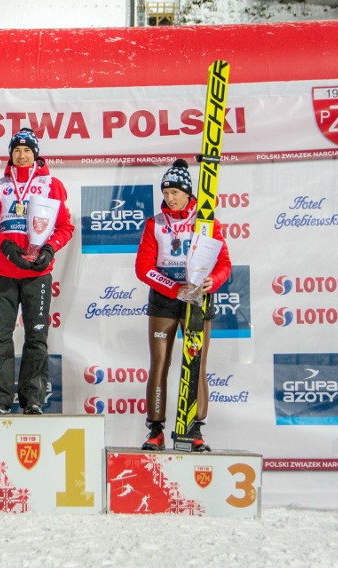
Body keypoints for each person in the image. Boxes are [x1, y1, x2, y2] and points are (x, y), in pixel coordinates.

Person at [134, 158, 232, 451]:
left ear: (189, 193)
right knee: (159, 363)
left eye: (175, 192)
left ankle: (195, 429)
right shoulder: (155, 223)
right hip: (165, 299)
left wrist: (211, 281)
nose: (169, 198)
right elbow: (143, 268)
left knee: (196, 363)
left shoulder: (207, 222)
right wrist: (173, 289)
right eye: (165, 193)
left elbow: (224, 263)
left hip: (198, 300)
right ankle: (155, 430)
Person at [0, 128, 74, 415]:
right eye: (17, 150)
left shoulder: (50, 184)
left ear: (36, 155)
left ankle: (32, 398)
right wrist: (6, 247)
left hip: (37, 275)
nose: (21, 155)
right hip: (3, 275)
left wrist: (49, 250)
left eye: (27, 151)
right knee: (1, 336)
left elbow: (65, 226)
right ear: (10, 154)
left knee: (36, 336)